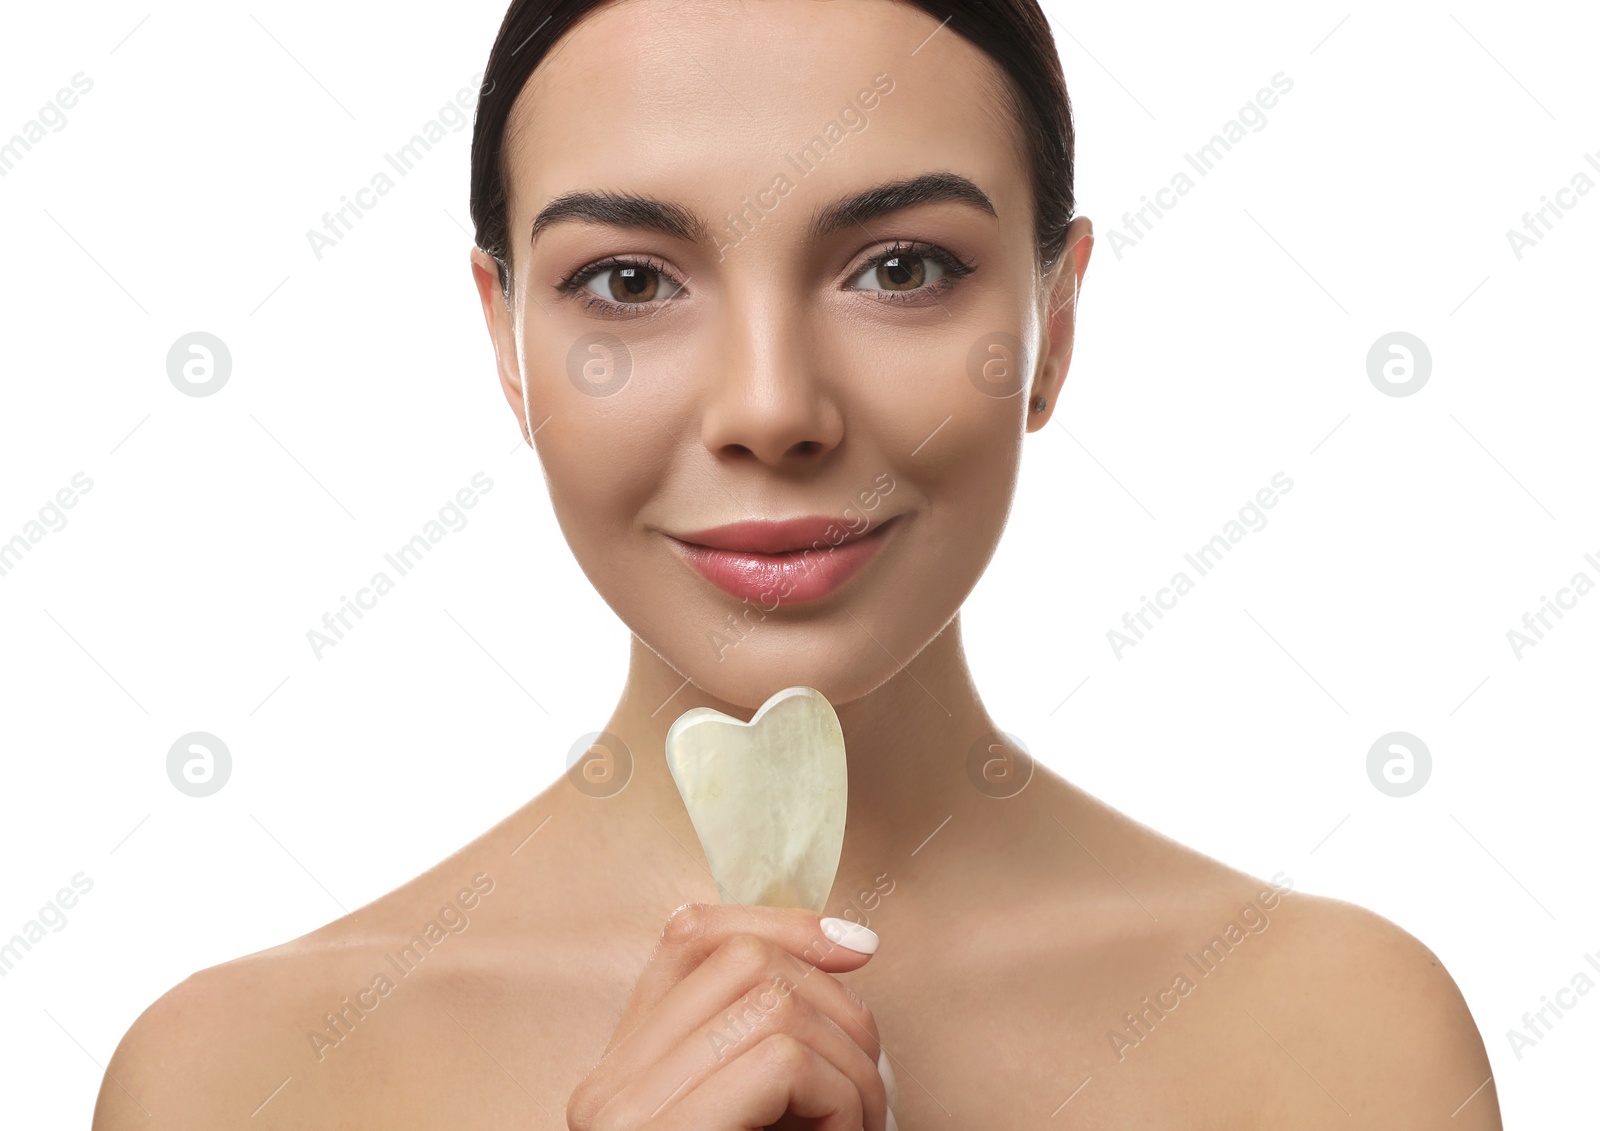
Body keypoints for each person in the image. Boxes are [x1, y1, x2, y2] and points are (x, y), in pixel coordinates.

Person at [93, 1, 1501, 1127]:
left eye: (899, 268)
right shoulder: (232, 1086)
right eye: (631, 282)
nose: (771, 409)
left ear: (1055, 326)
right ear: (506, 345)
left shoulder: (1348, 1048)